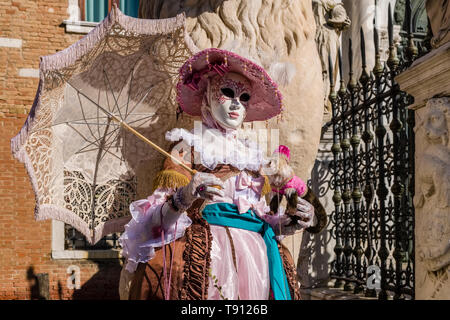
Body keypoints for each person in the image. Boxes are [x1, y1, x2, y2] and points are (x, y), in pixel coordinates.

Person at [119, 48, 323, 300]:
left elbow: (258, 215)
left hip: (257, 258)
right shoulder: (188, 147)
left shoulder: (254, 156)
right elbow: (155, 224)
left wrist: (290, 221)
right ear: (208, 95)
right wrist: (185, 195)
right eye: (228, 92)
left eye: (244, 96)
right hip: (208, 253)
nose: (237, 103)